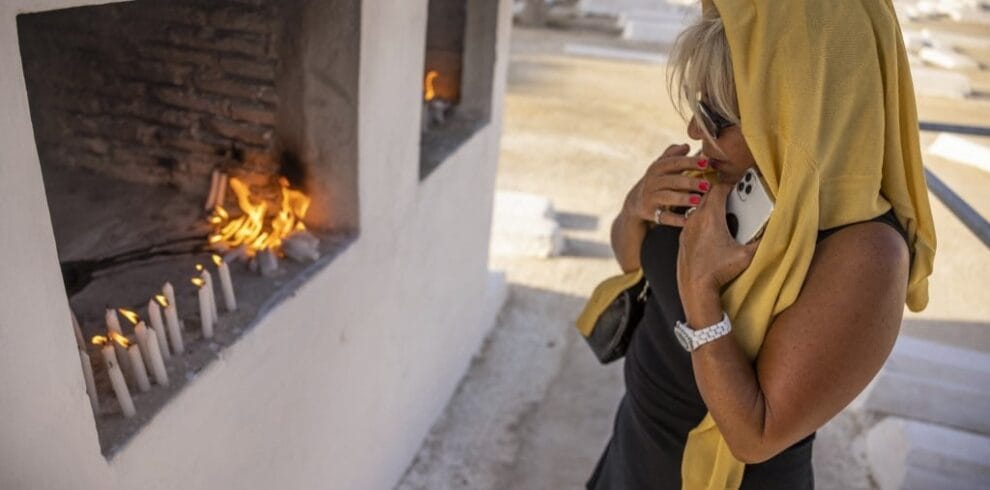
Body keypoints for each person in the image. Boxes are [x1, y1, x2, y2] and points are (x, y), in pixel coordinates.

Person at [586, 1, 937, 489]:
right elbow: (637, 269)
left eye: (716, 115)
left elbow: (754, 436)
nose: (693, 131)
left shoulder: (866, 254)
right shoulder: (726, 176)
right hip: (630, 458)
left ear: (799, 116)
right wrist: (636, 207)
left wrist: (702, 295)